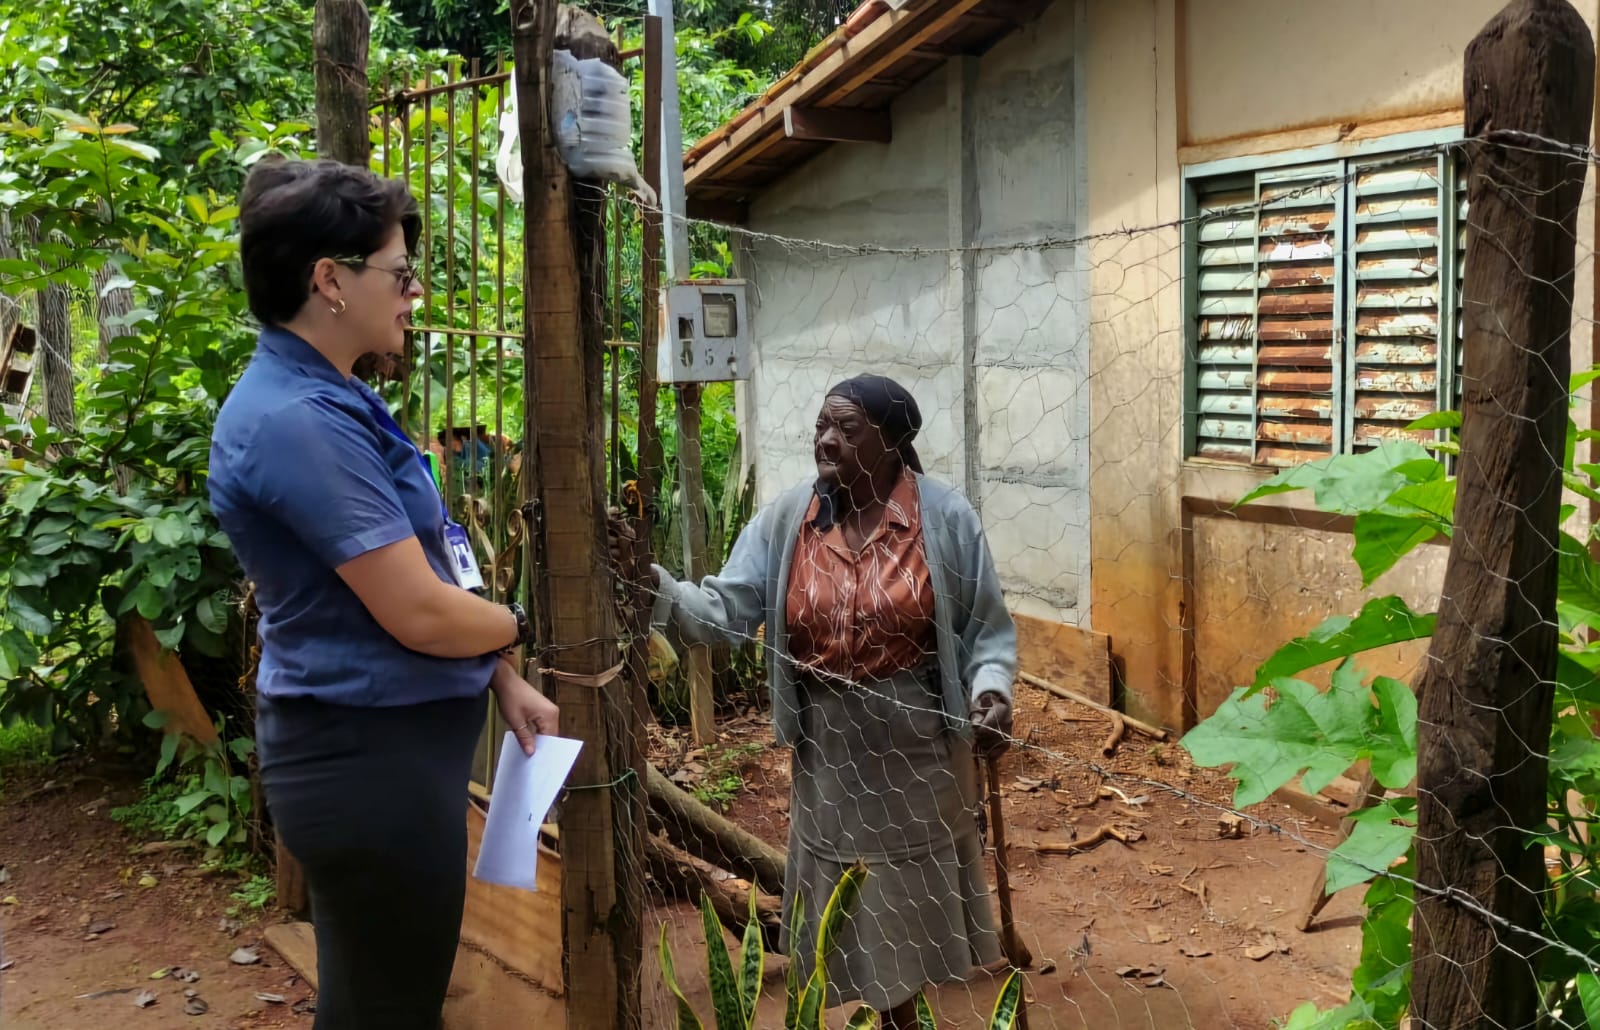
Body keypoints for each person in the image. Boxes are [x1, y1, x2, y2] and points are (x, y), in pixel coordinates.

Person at [208, 158, 558, 1030]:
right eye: (400, 275)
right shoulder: (299, 421)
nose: (414, 294)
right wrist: (520, 623)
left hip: (388, 760)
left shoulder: (335, 395)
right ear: (329, 279)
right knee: (384, 1009)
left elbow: (434, 571)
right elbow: (419, 610)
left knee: (386, 999)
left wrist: (501, 672)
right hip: (367, 765)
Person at [615, 375, 1016, 1028]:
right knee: (849, 913)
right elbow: (724, 613)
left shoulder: (945, 520)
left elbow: (987, 632)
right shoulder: (786, 521)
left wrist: (992, 692)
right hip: (830, 763)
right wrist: (653, 585)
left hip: (917, 757)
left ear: (891, 443)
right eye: (821, 428)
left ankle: (899, 1020)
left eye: (847, 430)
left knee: (903, 918)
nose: (827, 440)